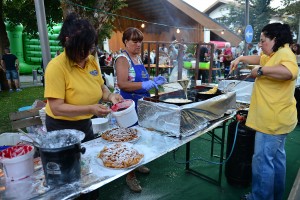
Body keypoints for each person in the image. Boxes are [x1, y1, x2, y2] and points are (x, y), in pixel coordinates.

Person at [230, 23, 298, 200]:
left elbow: (290, 72)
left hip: (271, 121)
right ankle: (275, 195)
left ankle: (259, 197)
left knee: (262, 162)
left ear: (274, 39)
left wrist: (260, 71)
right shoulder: (274, 53)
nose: (260, 44)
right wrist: (241, 59)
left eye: (263, 41)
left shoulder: (284, 53)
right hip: (280, 119)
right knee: (276, 160)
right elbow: (259, 59)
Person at [44, 13, 123, 143]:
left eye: (90, 48)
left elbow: (101, 87)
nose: (86, 54)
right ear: (67, 42)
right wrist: (91, 108)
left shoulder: (91, 61)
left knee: (88, 158)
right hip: (61, 126)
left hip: (85, 122)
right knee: (69, 162)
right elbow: (56, 108)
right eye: (81, 49)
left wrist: (110, 96)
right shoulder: (56, 67)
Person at [114, 27, 166, 192]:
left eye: (140, 42)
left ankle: (137, 165)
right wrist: (145, 84)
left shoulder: (137, 59)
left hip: (141, 103)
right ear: (125, 42)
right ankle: (130, 177)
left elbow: (139, 80)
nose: (138, 45)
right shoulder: (123, 59)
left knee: (140, 137)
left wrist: (152, 82)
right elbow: (123, 83)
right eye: (134, 41)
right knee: (129, 140)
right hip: (128, 106)